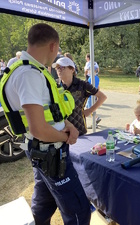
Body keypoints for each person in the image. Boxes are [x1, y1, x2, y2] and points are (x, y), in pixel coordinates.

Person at [0, 23, 91, 224]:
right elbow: (39, 129)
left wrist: (67, 123)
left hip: (41, 151)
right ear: (52, 46)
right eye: (57, 49)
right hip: (51, 152)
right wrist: (67, 136)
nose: (56, 54)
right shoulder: (29, 75)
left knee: (43, 203)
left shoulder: (21, 69)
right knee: (78, 210)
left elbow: (48, 110)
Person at [53, 57, 107, 135]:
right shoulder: (54, 85)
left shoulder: (82, 85)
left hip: (78, 129)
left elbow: (102, 97)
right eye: (57, 68)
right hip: (59, 130)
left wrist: (89, 111)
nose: (59, 70)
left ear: (72, 69)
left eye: (62, 67)